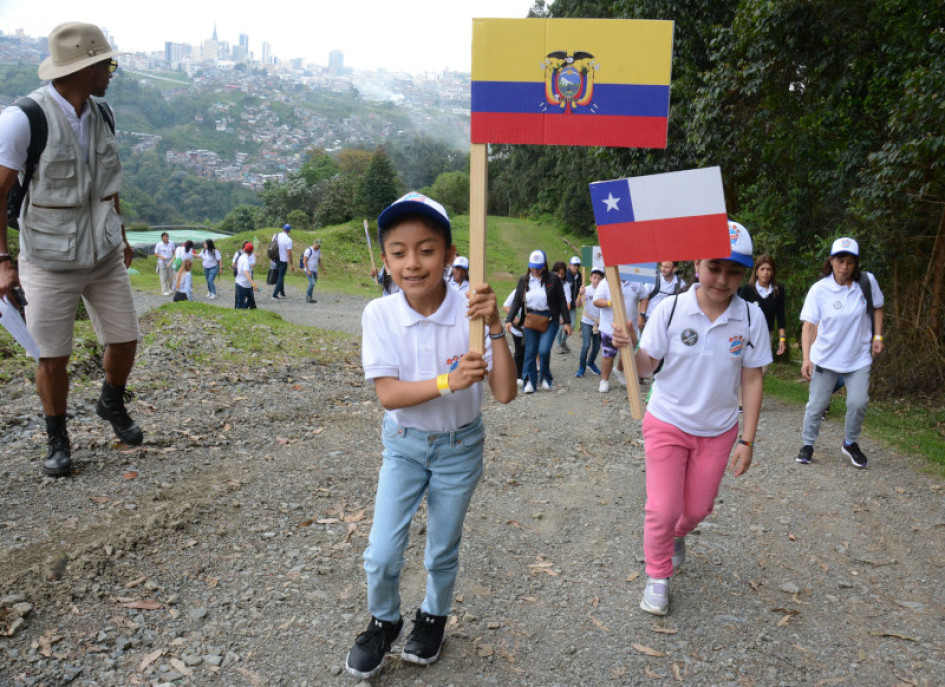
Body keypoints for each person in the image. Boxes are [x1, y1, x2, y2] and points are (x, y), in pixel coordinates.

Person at [346, 192, 516, 680]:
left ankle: (433, 617)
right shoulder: (379, 315)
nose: (412, 263)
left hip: (460, 448)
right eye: (399, 252)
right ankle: (384, 620)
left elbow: (504, 393)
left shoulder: (473, 310)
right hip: (403, 446)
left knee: (442, 546)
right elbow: (389, 395)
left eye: (426, 249)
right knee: (381, 552)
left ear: (449, 253)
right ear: (386, 259)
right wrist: (449, 381)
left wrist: (496, 325)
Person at [0, 22, 143, 478]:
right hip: (47, 259)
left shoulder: (103, 114)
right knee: (52, 355)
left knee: (124, 338)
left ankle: (110, 401)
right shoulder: (24, 119)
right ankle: (57, 437)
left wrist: (119, 236)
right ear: (83, 68)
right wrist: (3, 262)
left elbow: (108, 184)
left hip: (101, 253)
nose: (112, 72)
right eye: (107, 64)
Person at [612, 221, 771, 616]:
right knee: (662, 508)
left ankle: (676, 534)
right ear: (697, 264)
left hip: (718, 430)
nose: (722, 279)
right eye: (714, 267)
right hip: (667, 419)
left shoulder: (751, 319)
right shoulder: (670, 309)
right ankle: (658, 576)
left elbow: (751, 379)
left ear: (744, 274)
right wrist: (626, 351)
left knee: (697, 509)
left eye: (733, 271)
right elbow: (644, 367)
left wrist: (747, 440)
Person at [797, 237, 884, 468]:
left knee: (858, 402)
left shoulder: (866, 282)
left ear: (856, 264)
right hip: (826, 358)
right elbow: (808, 325)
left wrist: (878, 336)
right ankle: (807, 443)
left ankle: (850, 442)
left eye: (850, 262)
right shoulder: (820, 289)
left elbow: (877, 308)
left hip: (858, 358)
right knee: (817, 406)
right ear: (831, 260)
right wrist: (806, 358)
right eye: (839, 260)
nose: (844, 267)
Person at [505, 250, 571, 393]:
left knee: (544, 350)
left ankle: (546, 378)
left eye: (538, 267)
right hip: (531, 319)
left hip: (550, 319)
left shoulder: (553, 279)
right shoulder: (524, 279)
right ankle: (529, 381)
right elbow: (516, 300)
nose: (535, 270)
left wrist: (567, 321)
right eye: (532, 266)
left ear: (545, 266)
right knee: (530, 351)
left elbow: (562, 300)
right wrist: (509, 319)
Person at [594, 274, 648, 393]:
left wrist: (642, 314)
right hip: (609, 327)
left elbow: (644, 297)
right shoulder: (605, 282)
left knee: (629, 354)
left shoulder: (636, 281)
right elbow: (596, 301)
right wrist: (610, 303)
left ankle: (619, 369)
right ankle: (604, 380)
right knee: (608, 355)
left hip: (630, 327)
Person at [638, 261, 686, 330]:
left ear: (674, 269)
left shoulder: (680, 284)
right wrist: (641, 316)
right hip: (651, 320)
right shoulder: (653, 279)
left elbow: (683, 304)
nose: (662, 269)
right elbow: (644, 298)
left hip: (669, 323)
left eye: (666, 267)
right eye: (662, 266)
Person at [576, 267, 604, 377]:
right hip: (587, 321)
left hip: (599, 323)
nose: (597, 280)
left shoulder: (604, 291)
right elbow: (578, 305)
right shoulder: (586, 290)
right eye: (595, 278)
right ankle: (581, 367)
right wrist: (579, 294)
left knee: (597, 347)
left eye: (599, 278)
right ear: (590, 278)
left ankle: (591, 362)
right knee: (586, 345)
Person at [558, 255, 583, 353]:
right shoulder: (565, 275)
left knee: (572, 325)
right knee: (561, 326)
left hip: (572, 306)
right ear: (569, 265)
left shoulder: (579, 276)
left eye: (578, 265)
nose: (576, 267)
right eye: (574, 265)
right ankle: (559, 345)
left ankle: (563, 342)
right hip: (563, 305)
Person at [503, 289, 526, 385]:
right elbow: (506, 306)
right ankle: (518, 375)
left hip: (533, 328)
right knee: (519, 350)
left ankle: (528, 374)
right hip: (518, 328)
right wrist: (514, 316)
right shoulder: (517, 291)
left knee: (530, 351)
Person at [552, 261, 574, 353]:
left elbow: (568, 302)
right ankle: (558, 344)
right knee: (559, 326)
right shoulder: (548, 282)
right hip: (551, 309)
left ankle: (562, 342)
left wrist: (563, 314)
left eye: (562, 274)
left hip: (562, 309)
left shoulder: (565, 285)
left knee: (570, 325)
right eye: (558, 273)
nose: (560, 276)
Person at [271, 223, 294, 300]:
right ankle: (274, 294)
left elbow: (272, 246)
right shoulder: (289, 240)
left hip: (276, 258)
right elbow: (289, 253)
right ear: (289, 231)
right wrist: (291, 264)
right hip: (283, 260)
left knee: (280, 276)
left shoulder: (276, 235)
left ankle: (282, 292)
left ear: (283, 229)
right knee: (281, 277)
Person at [234, 241, 259, 309]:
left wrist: (255, 258)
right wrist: (253, 284)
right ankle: (239, 313)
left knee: (250, 300)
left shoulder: (242, 257)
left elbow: (251, 266)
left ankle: (243, 311)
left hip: (245, 284)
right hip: (242, 284)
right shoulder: (245, 260)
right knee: (240, 303)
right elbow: (246, 272)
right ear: (251, 251)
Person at [303, 238, 324, 303]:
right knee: (312, 283)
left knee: (313, 284)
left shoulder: (318, 251)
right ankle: (308, 297)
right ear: (314, 243)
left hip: (315, 270)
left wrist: (323, 268)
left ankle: (310, 297)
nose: (318, 246)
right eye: (317, 245)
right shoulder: (309, 250)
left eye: (319, 245)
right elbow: (304, 260)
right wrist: (308, 270)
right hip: (309, 269)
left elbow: (318, 260)